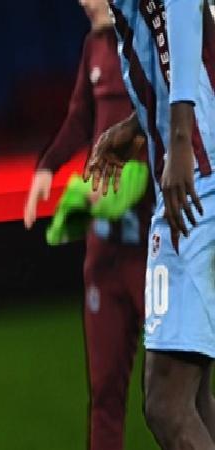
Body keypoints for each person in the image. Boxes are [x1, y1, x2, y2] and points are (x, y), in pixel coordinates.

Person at [22, 1, 153, 448]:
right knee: (104, 392)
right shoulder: (93, 45)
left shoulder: (152, 44)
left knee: (171, 390)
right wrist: (47, 166)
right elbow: (80, 116)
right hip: (103, 252)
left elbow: (169, 120)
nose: (83, 1)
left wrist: (134, 174)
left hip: (153, 247)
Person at [85, 0, 215, 448]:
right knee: (194, 398)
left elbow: (183, 5)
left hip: (197, 176)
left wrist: (179, 139)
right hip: (198, 165)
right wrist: (138, 125)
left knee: (166, 405)